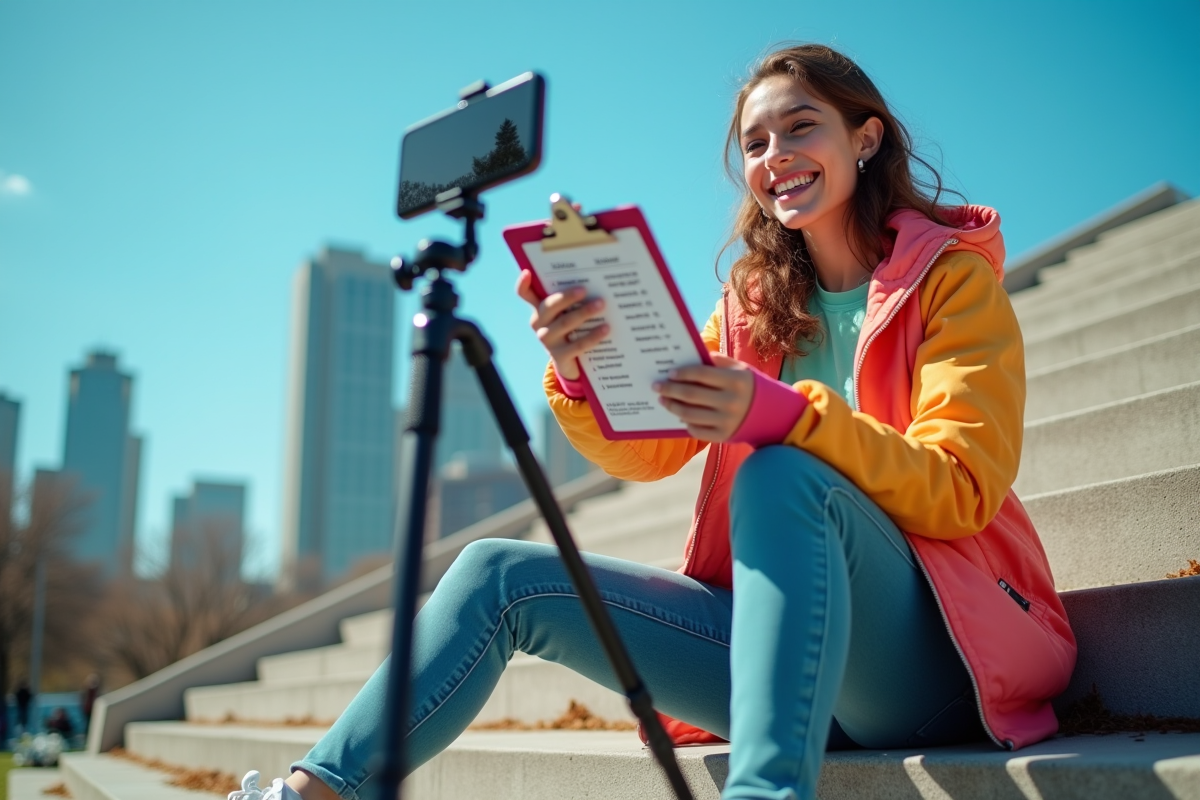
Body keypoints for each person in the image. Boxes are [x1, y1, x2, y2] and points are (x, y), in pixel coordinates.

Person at [229, 43, 1075, 800]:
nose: (775, 156)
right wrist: (580, 368)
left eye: (799, 127)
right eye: (754, 143)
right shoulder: (753, 309)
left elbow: (959, 490)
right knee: (498, 572)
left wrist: (786, 416)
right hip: (780, 654)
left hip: (931, 661)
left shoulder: (953, 284)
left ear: (866, 137)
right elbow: (651, 449)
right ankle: (311, 795)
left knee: (784, 469)